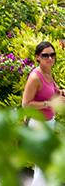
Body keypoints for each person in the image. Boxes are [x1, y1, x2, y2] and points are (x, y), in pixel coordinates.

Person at [21, 41, 65, 186]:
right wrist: (49, 104)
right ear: (37, 57)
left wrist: (60, 92)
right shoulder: (35, 77)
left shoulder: (48, 71)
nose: (50, 58)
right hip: (37, 124)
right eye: (45, 55)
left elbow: (53, 89)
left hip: (48, 122)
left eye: (52, 55)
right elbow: (25, 104)